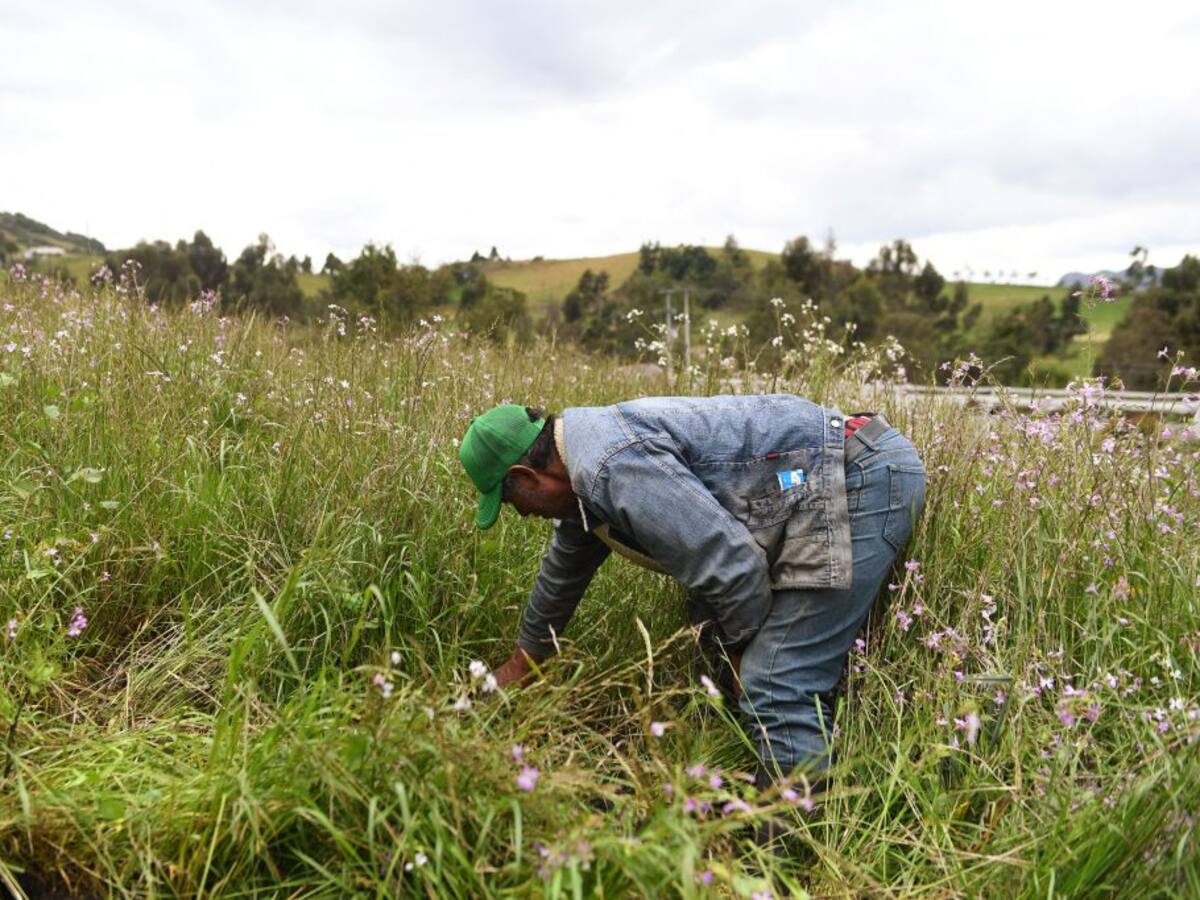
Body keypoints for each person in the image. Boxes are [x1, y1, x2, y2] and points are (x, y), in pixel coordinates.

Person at [458, 394, 925, 792]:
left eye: (510, 501)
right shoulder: (583, 460)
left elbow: (734, 568)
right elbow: (562, 573)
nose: (520, 515)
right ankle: (774, 775)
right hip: (814, 476)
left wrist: (747, 655)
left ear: (531, 475)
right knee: (714, 633)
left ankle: (792, 846)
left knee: (775, 679)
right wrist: (524, 662)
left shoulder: (608, 464)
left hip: (857, 476)